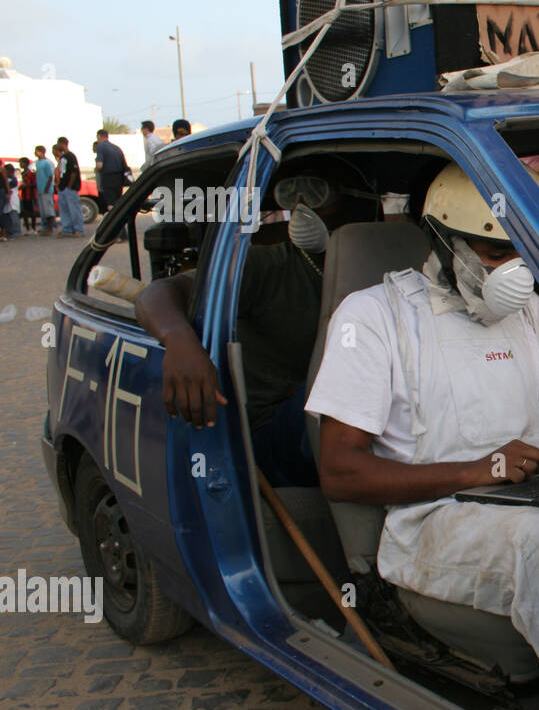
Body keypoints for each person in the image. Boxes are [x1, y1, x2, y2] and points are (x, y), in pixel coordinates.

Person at [305, 162, 539, 710]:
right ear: (441, 239)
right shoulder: (373, 316)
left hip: (531, 499)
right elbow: (340, 471)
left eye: (521, 251)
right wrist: (479, 470)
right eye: (493, 251)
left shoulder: (530, 313)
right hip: (428, 521)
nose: (512, 271)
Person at [135, 167, 377, 486]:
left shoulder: (392, 268)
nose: (302, 208)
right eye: (292, 194)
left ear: (362, 202)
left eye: (317, 194)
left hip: (356, 419)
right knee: (333, 387)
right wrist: (179, 340)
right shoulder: (270, 266)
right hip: (276, 431)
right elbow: (158, 293)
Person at [52, 138, 84, 237]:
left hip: (69, 188)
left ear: (62, 144)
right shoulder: (62, 158)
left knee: (74, 208)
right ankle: (67, 229)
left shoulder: (70, 156)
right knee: (64, 209)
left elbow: (73, 172)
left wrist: (70, 186)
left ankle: (78, 229)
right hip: (62, 187)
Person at [93, 129, 129, 209]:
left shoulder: (100, 147)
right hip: (119, 178)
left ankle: (113, 219)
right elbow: (124, 165)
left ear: (99, 136)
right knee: (118, 201)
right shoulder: (116, 148)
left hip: (108, 178)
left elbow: (99, 165)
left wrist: (96, 170)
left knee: (110, 202)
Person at [33, 145, 56, 234]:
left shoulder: (47, 163)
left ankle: (50, 228)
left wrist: (46, 187)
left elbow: (50, 176)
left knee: (48, 209)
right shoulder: (37, 163)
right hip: (40, 189)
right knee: (43, 210)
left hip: (46, 189)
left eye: (36, 151)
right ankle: (45, 226)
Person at [18, 157, 37, 234]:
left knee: (32, 212)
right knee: (24, 212)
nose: (20, 164)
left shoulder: (31, 173)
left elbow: (35, 184)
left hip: (30, 194)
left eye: (21, 163)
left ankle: (33, 228)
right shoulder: (23, 173)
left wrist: (27, 186)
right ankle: (28, 229)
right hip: (24, 194)